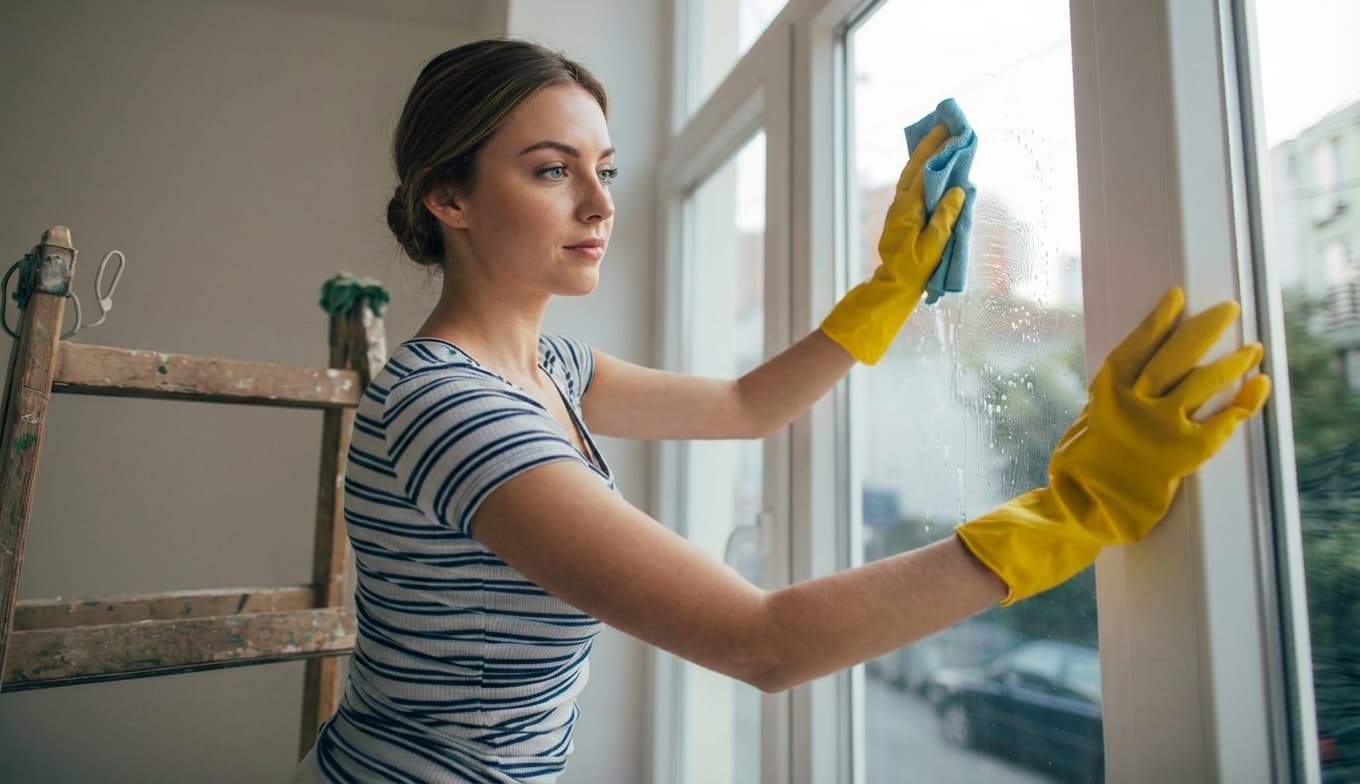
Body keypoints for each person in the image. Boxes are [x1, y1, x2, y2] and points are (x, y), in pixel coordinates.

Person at [292, 38, 1271, 784]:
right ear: (447, 199)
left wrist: (886, 288)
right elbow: (763, 640)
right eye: (552, 170)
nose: (599, 202)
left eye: (607, 168)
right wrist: (1076, 510)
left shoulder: (544, 365)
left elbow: (746, 404)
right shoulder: (445, 408)